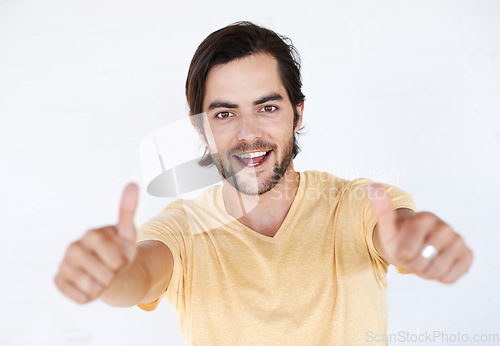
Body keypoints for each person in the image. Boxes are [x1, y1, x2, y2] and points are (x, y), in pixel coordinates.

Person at [54, 21, 473, 344]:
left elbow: (395, 232)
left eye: (267, 107)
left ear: (298, 113)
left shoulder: (357, 204)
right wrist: (109, 274)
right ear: (201, 130)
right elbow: (139, 274)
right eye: (224, 114)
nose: (247, 134)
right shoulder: (182, 229)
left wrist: (419, 244)